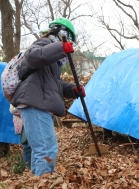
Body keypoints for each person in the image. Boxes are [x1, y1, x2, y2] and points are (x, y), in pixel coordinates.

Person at [11, 17, 85, 176]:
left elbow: (54, 85)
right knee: (46, 149)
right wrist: (60, 47)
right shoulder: (44, 43)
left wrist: (74, 89)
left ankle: (37, 186)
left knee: (41, 149)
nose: (70, 43)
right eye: (69, 39)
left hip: (38, 102)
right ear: (62, 33)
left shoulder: (53, 59)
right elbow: (32, 57)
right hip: (35, 103)